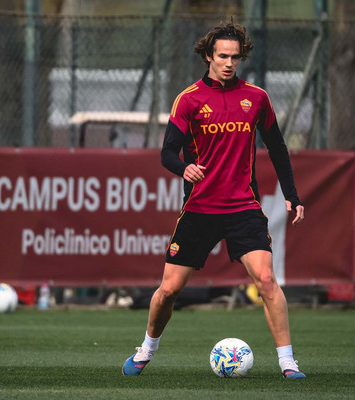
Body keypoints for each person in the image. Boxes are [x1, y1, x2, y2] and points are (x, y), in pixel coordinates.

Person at [122, 21, 306, 379]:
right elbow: (167, 153)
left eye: (235, 57)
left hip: (243, 207)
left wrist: (292, 195)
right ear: (209, 56)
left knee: (266, 280)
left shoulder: (256, 98)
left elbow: (278, 148)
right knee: (168, 291)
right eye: (222, 56)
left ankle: (287, 362)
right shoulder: (189, 99)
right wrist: (184, 168)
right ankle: (147, 348)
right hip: (199, 209)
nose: (229, 63)